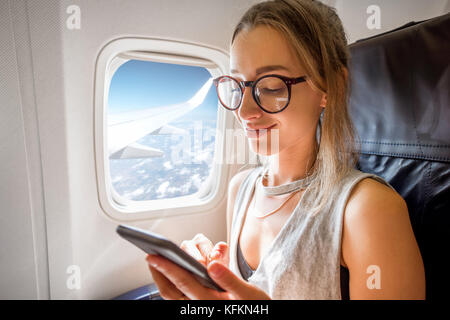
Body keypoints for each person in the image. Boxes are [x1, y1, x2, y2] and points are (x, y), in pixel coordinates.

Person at [145, 0, 425, 300]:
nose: (244, 110)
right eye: (239, 85)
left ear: (330, 86)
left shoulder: (368, 210)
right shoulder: (241, 189)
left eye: (273, 86)